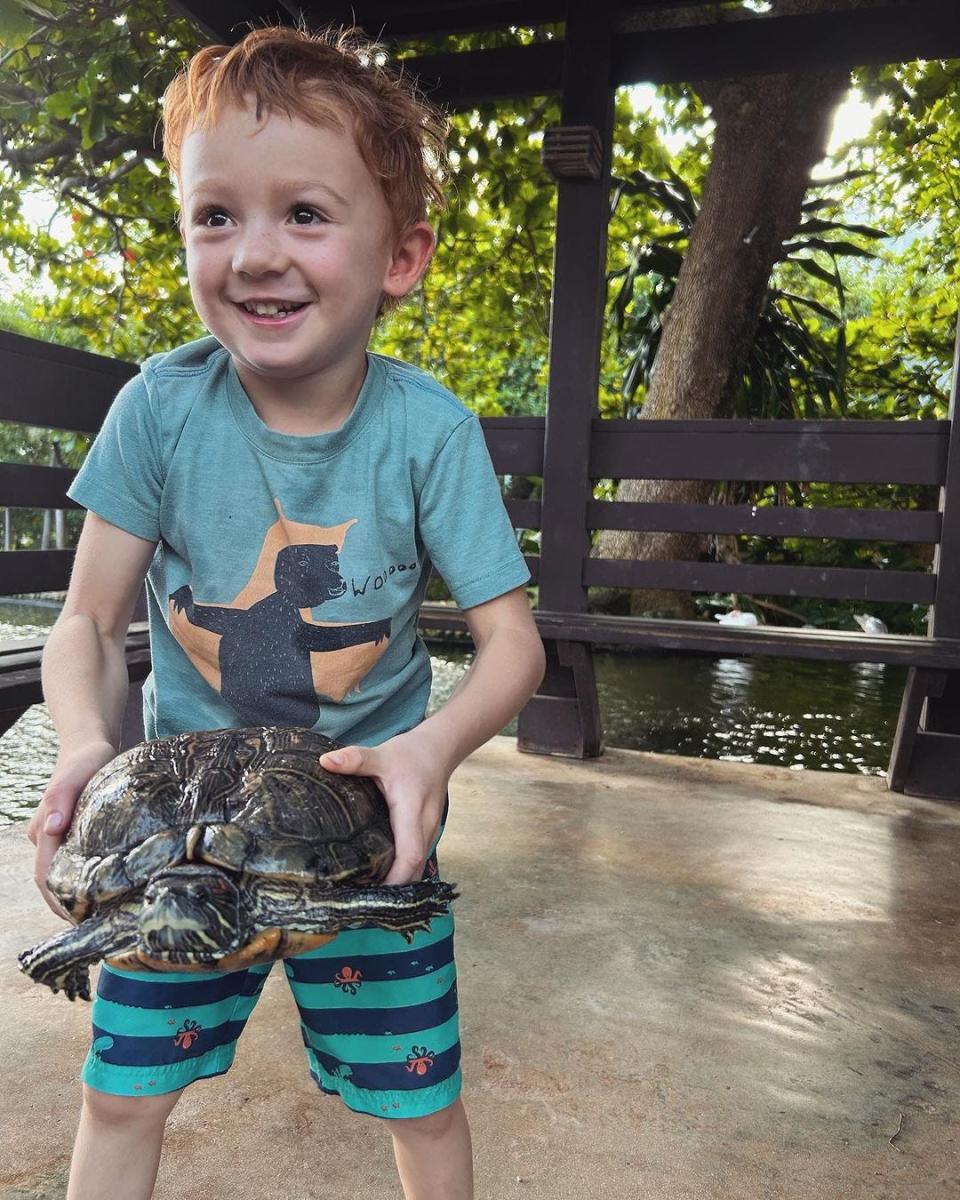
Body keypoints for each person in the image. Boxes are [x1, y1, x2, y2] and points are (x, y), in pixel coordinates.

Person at [26, 24, 545, 1200]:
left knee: (418, 1094)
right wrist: (88, 752)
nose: (256, 254)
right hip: (178, 833)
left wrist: (431, 748)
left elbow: (514, 644)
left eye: (304, 214)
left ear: (399, 256)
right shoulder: (157, 410)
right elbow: (90, 626)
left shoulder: (429, 432)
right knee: (120, 1093)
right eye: (217, 216)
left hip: (365, 824)